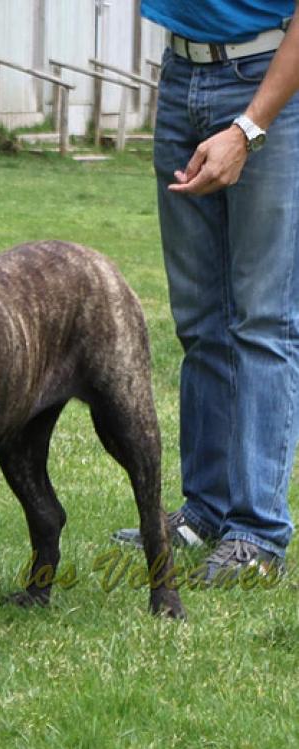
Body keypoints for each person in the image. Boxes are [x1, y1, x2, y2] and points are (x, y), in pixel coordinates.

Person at [114, 0, 299, 583]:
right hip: (181, 77)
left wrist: (248, 128)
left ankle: (258, 533)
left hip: (265, 82)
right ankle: (207, 509)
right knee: (199, 320)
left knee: (262, 319)